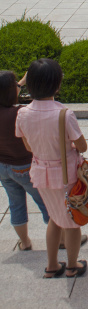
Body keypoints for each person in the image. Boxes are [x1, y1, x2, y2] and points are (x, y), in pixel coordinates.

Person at [15, 59, 88, 278]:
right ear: (57, 86)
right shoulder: (64, 114)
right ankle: (73, 265)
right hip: (66, 175)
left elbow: (28, 145)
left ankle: (52, 265)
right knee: (72, 222)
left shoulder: (22, 113)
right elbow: (82, 145)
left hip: (40, 173)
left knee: (55, 217)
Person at [0, 70, 49, 250]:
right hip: (24, 166)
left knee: (16, 204)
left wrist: (21, 82)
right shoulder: (20, 113)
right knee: (46, 202)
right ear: (10, 91)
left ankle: (25, 242)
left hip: (3, 169)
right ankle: (60, 239)